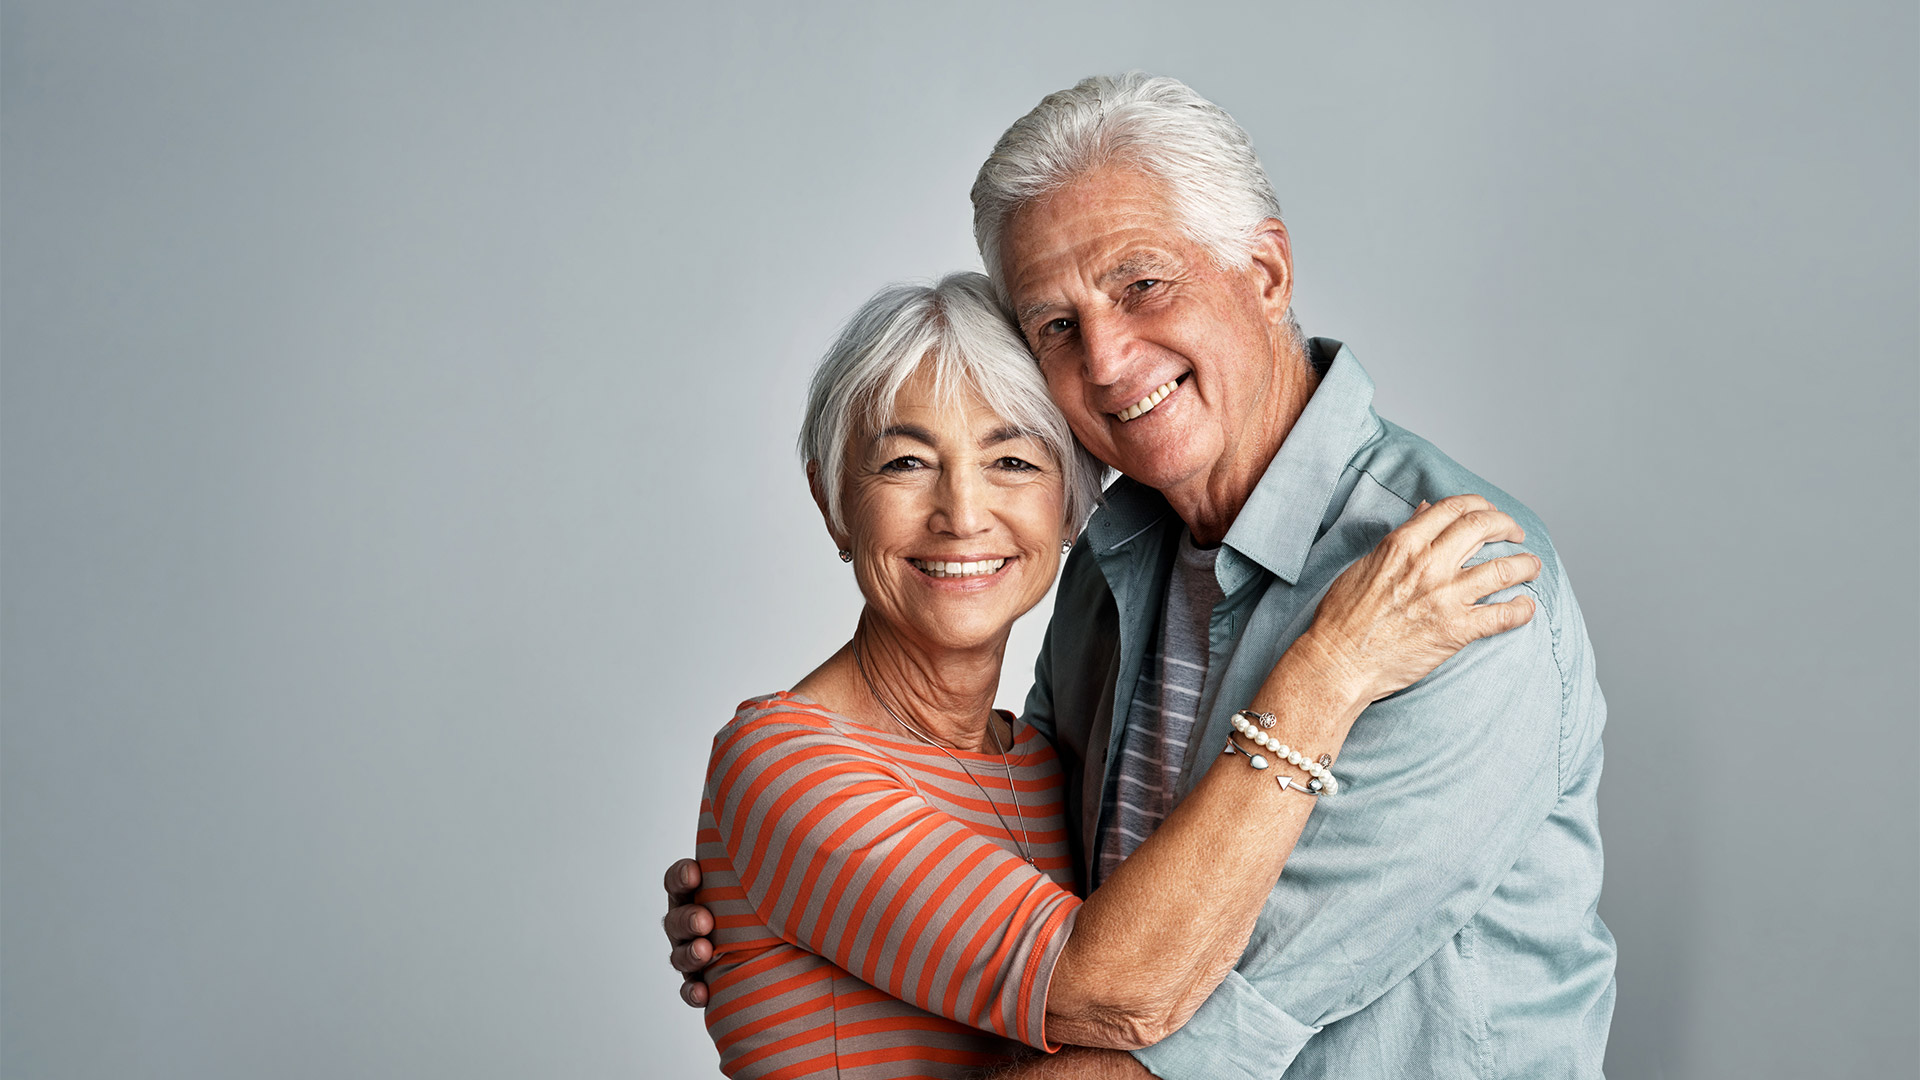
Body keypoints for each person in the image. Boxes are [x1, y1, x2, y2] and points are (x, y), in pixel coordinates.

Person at [673, 73, 1617, 1078]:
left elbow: (1184, 1029)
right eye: (1057, 325)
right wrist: (773, 905)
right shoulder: (1113, 561)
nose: (1112, 361)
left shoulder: (1445, 584)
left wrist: (784, 890)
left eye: (1142, 284)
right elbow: (1056, 937)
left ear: (1263, 272)